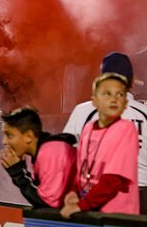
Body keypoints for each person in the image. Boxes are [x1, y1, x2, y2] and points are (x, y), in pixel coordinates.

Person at [64, 53, 147, 216]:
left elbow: (66, 159)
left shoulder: (83, 112)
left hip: (94, 194)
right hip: (142, 197)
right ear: (131, 82)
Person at [60, 73, 140, 217]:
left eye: (120, 94)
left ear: (125, 103)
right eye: (107, 94)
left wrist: (82, 205)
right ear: (95, 101)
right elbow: (80, 169)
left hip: (116, 218)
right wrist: (73, 191)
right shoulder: (88, 128)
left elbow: (113, 180)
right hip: (91, 212)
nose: (114, 99)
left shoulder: (126, 129)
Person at [0, 107, 77, 208]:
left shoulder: (51, 152)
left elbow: (49, 203)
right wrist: (19, 171)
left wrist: (18, 173)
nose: (4, 142)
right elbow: (39, 193)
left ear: (28, 136)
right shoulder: (41, 152)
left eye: (9, 135)